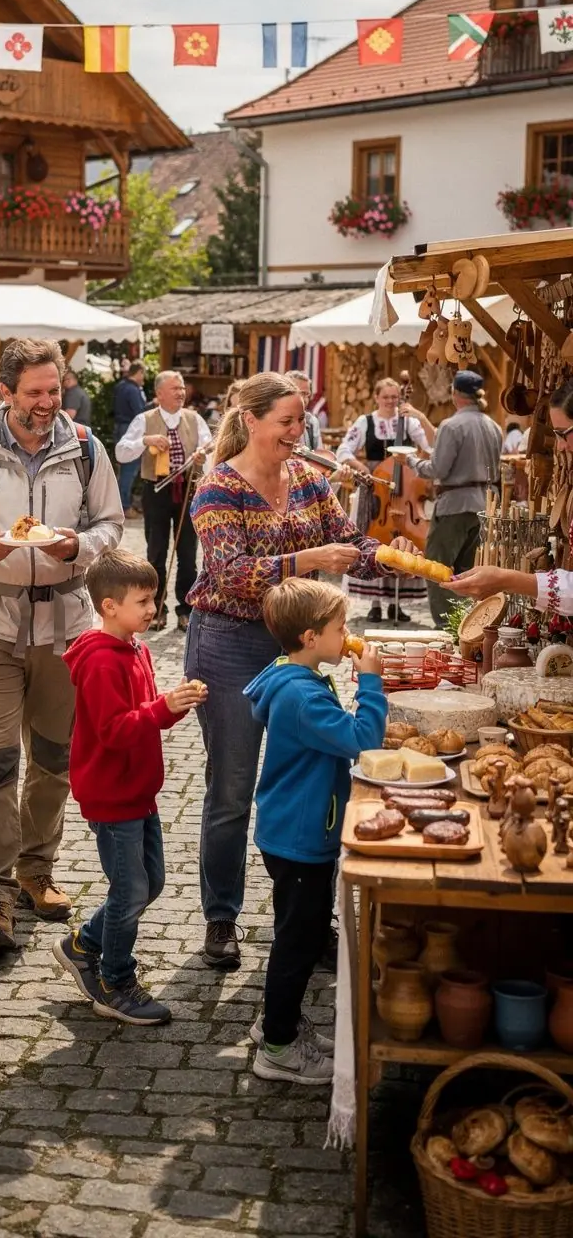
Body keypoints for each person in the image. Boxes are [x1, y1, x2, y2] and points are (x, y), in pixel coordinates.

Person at [185, 373, 415, 970]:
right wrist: (305, 560)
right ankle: (221, 918)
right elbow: (230, 573)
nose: (297, 430)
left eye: (301, 420)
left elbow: (347, 540)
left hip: (302, 648)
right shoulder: (217, 488)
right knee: (233, 789)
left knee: (313, 779)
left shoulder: (311, 481)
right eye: (287, 420)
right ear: (252, 420)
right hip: (230, 642)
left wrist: (390, 552)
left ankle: (306, 917)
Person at [0, 337, 123, 953]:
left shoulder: (85, 448)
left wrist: (77, 548)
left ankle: (37, 872)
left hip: (67, 626)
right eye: (33, 392)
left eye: (53, 390)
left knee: (55, 762)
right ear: (5, 392)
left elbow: (111, 523)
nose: (46, 403)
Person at [54, 548, 206, 1024]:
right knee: (130, 890)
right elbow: (114, 730)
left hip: (138, 791)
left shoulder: (135, 648)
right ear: (108, 606)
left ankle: (83, 945)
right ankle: (115, 982)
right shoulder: (102, 661)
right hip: (112, 795)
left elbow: (142, 717)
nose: (152, 609)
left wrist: (171, 706)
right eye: (142, 601)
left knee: (150, 882)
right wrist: (162, 709)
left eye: (154, 598)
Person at [246, 578, 386, 1085]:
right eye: (339, 628)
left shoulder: (293, 675)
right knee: (298, 942)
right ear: (310, 637)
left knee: (297, 933)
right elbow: (363, 739)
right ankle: (279, 1049)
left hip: (295, 827)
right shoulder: (302, 696)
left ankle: (277, 1023)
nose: (346, 634)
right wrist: (371, 683)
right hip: (303, 835)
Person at [446, 377, 573, 613]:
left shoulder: (451, 426)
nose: (559, 446)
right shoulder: (491, 425)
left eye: (563, 433)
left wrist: (506, 579)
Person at [115, 370, 211, 632]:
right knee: (156, 551)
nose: (181, 393)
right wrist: (145, 440)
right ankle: (155, 608)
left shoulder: (194, 419)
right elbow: (121, 452)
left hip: (189, 490)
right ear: (159, 394)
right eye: (174, 388)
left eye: (182, 388)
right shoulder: (144, 419)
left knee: (188, 553)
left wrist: (203, 456)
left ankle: (186, 609)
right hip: (156, 490)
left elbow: (211, 450)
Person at [406, 370, 502, 625]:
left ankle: (445, 625)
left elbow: (438, 469)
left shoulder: (452, 425)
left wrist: (411, 461)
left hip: (455, 505)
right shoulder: (494, 426)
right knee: (468, 571)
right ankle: (467, 624)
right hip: (484, 504)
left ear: (455, 394)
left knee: (436, 567)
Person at [336, 378, 434, 623]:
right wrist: (363, 469)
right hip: (376, 491)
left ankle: (397, 604)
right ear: (376, 397)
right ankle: (376, 604)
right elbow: (343, 451)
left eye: (394, 397)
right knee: (373, 541)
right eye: (386, 397)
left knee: (406, 543)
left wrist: (420, 418)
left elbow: (432, 446)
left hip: (404, 492)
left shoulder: (408, 422)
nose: (390, 401)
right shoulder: (365, 422)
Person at [113, 362, 148, 516]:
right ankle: (125, 506)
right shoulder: (133, 390)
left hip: (120, 427)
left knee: (124, 469)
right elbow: (139, 412)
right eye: (143, 374)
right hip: (131, 428)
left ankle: (122, 504)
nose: (144, 378)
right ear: (139, 372)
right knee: (129, 469)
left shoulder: (120, 386)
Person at [287, 372, 325, 453]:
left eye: (307, 395)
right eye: (301, 393)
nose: (305, 400)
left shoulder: (312, 421)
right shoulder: (275, 420)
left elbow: (320, 455)